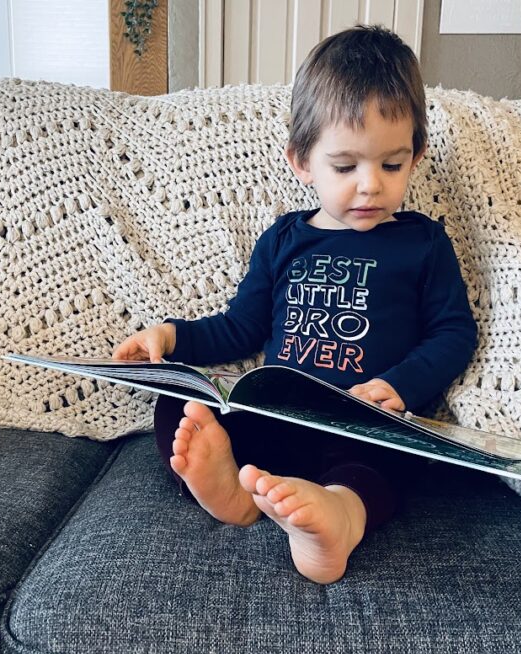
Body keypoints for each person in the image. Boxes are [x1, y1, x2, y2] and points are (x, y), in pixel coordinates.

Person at [112, 25, 477, 584]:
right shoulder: (284, 240)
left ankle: (338, 519)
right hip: (278, 417)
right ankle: (234, 493)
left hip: (361, 423)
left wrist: (400, 385)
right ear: (302, 161)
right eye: (345, 166)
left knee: (387, 461)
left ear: (417, 156)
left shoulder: (422, 242)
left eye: (391, 165)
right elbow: (241, 327)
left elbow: (453, 333)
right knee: (180, 406)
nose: (369, 187)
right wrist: (170, 336)